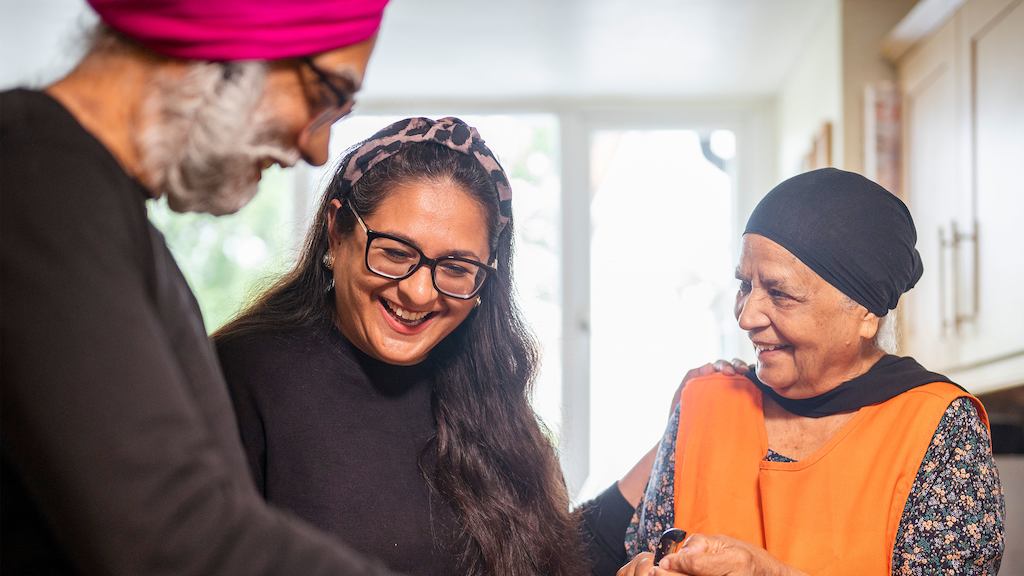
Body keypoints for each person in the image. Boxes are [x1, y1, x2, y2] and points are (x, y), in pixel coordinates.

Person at [0, 0, 421, 574]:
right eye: (325, 95)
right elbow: (170, 535)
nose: (316, 149)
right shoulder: (35, 177)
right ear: (234, 33)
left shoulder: (99, 205)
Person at [214, 116, 587, 576]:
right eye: (394, 253)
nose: (419, 292)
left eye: (456, 268)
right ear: (336, 231)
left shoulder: (493, 403)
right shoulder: (238, 376)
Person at [617, 168, 1005, 576]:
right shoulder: (704, 403)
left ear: (865, 314)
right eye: (745, 285)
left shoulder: (937, 427)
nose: (746, 317)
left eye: (779, 293)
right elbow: (639, 550)